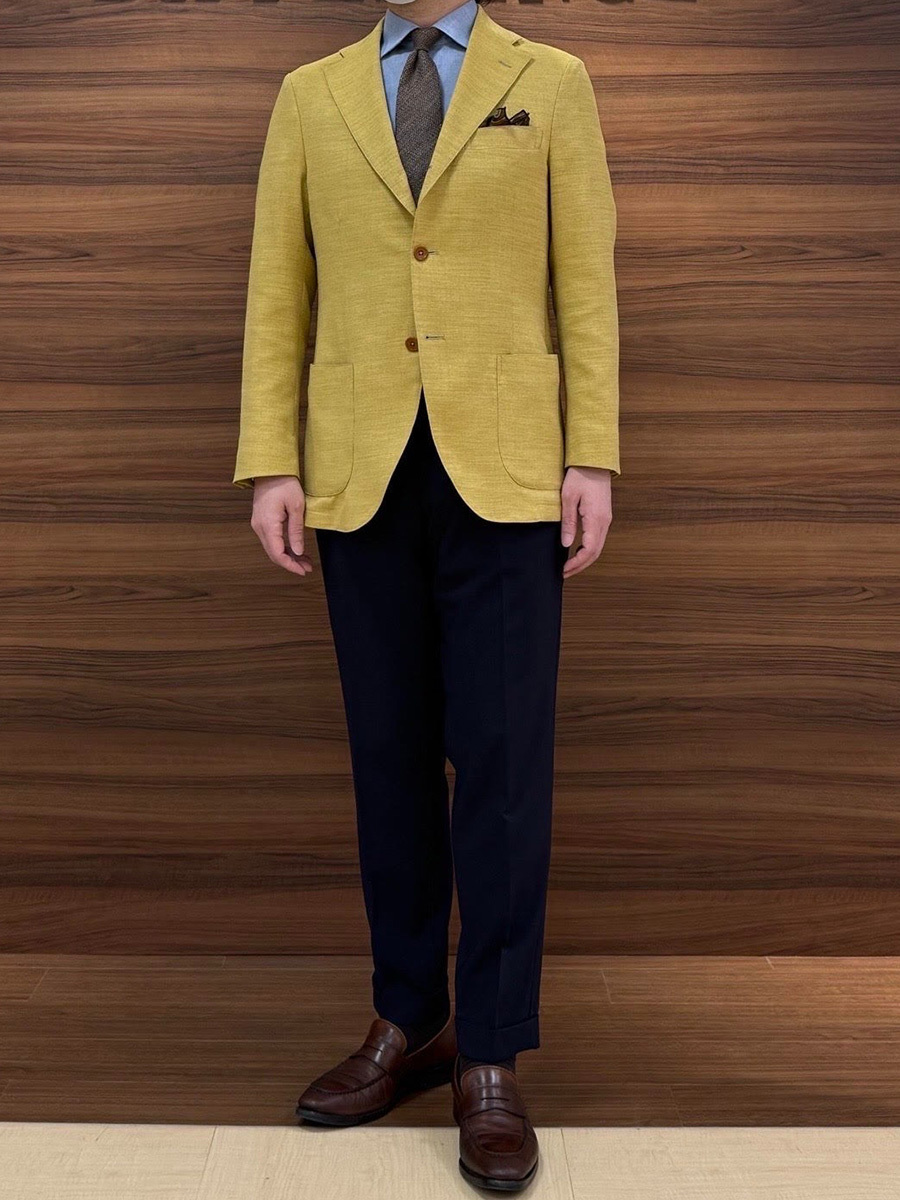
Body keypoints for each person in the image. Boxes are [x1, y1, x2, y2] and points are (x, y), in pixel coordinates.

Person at [232, 0, 619, 1189]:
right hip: (359, 471)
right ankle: (408, 1016)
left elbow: (584, 280)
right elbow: (278, 288)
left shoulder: (551, 82)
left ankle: (490, 1051)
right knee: (389, 758)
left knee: (502, 766)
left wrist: (593, 454)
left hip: (505, 467)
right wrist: (273, 461)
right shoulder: (311, 95)